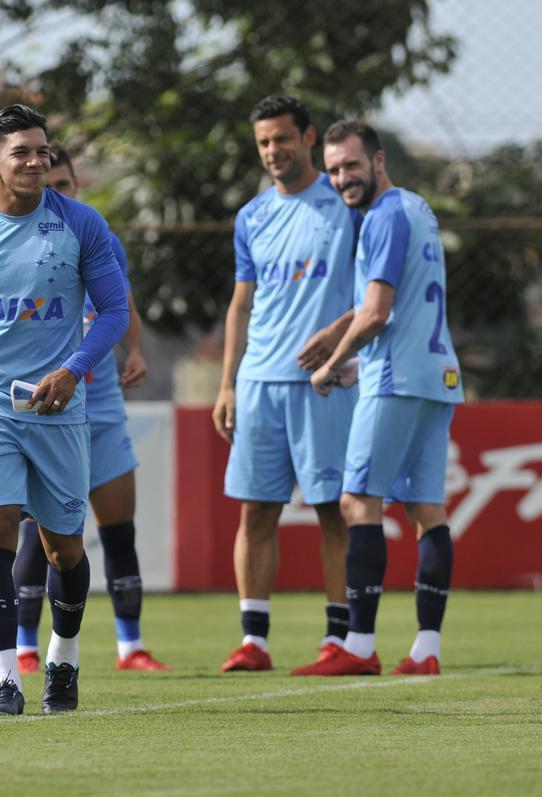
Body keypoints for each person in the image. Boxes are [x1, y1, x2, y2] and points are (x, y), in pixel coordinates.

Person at [0, 104, 130, 716]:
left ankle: (63, 659)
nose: (37, 161)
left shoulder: (83, 225)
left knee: (65, 548)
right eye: (22, 153)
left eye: (43, 150)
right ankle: (3, 681)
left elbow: (114, 311)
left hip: (59, 406)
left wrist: (72, 370)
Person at [303, 120, 462, 676]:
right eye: (335, 169)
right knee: (426, 507)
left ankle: (359, 646)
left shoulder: (384, 215)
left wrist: (328, 363)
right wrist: (353, 363)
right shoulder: (419, 208)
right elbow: (406, 302)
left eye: (351, 165)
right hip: (437, 374)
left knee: (357, 502)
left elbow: (376, 312)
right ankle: (426, 650)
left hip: (398, 378)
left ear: (378, 159)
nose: (344, 177)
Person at [213, 95, 361, 675]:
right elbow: (241, 305)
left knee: (333, 510)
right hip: (259, 385)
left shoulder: (346, 205)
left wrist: (337, 333)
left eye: (282, 139)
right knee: (256, 512)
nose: (274, 151)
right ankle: (254, 641)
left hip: (324, 384)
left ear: (308, 137)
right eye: (264, 143)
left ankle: (340, 638)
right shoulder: (251, 216)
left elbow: (377, 291)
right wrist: (227, 384)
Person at [12, 146, 170, 674]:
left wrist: (138, 352)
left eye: (64, 184)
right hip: (47, 406)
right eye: (46, 183)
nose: (55, 193)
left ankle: (132, 646)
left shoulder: (97, 237)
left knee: (118, 527)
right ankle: (27, 647)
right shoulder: (21, 242)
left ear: (77, 187)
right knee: (41, 532)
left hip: (100, 405)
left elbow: (120, 306)